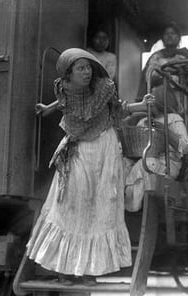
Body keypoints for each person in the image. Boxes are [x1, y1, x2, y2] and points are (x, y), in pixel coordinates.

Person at [26, 48, 148, 285]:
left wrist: (140, 105)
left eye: (88, 67)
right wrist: (48, 108)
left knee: (101, 205)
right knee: (71, 203)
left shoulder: (103, 88)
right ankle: (64, 270)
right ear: (68, 73)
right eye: (80, 68)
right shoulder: (65, 88)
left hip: (104, 149)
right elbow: (65, 101)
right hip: (79, 148)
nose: (87, 72)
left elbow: (119, 109)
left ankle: (89, 270)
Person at [139, 23, 188, 145]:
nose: (170, 36)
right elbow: (149, 77)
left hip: (185, 95)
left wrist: (183, 75)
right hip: (162, 96)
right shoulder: (156, 57)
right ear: (162, 37)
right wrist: (166, 75)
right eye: (167, 34)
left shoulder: (186, 55)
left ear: (179, 37)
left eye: (173, 33)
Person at [124, 86, 188, 212]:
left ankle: (136, 207)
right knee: (123, 164)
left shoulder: (173, 119)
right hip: (144, 159)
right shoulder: (144, 120)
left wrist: (164, 130)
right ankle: (124, 206)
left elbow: (185, 148)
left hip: (167, 164)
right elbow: (136, 148)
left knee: (148, 163)